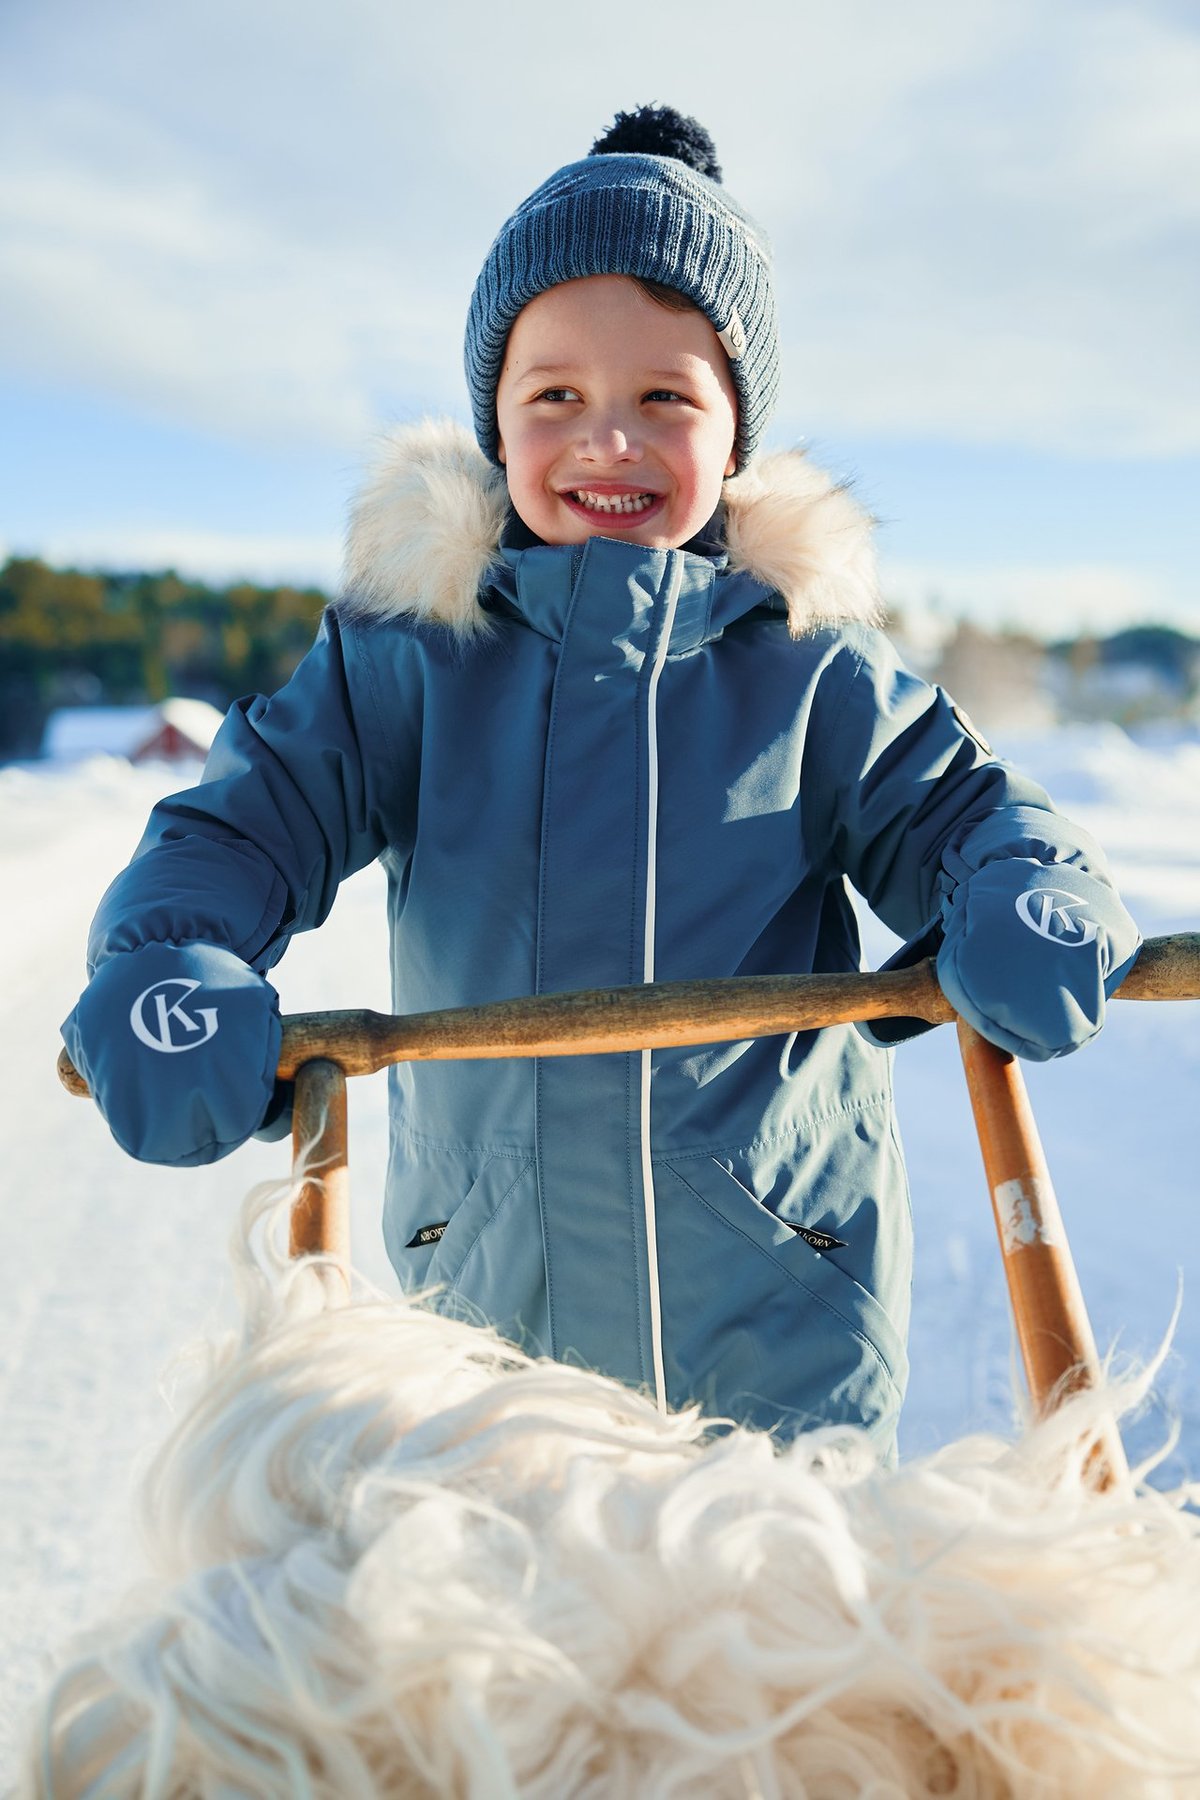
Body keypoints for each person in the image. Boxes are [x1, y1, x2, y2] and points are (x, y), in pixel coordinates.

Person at [63, 106, 1140, 1454]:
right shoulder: (412, 660)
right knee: (505, 1641)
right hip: (485, 1318)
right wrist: (171, 954)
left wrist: (1025, 889)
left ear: (735, 433)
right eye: (557, 396)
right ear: (495, 422)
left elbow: (964, 811)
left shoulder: (807, 670)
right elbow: (245, 822)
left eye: (665, 398)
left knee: (777, 1649)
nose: (609, 441)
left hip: (777, 1317)